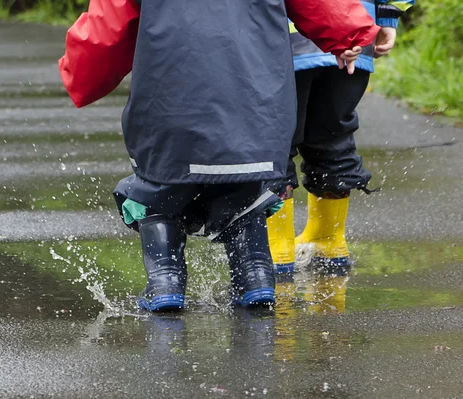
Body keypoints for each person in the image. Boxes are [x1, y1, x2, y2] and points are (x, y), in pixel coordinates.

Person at [60, 0, 380, 312]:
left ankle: (165, 283)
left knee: (159, 188)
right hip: (254, 101)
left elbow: (105, 29)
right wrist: (348, 34)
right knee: (245, 191)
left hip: (170, 98)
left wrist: (78, 75)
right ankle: (255, 278)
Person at [267, 0, 415, 274]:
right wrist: (387, 16)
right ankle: (329, 240)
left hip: (282, 37)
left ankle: (277, 248)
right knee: (333, 135)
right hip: (354, 30)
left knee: (274, 142)